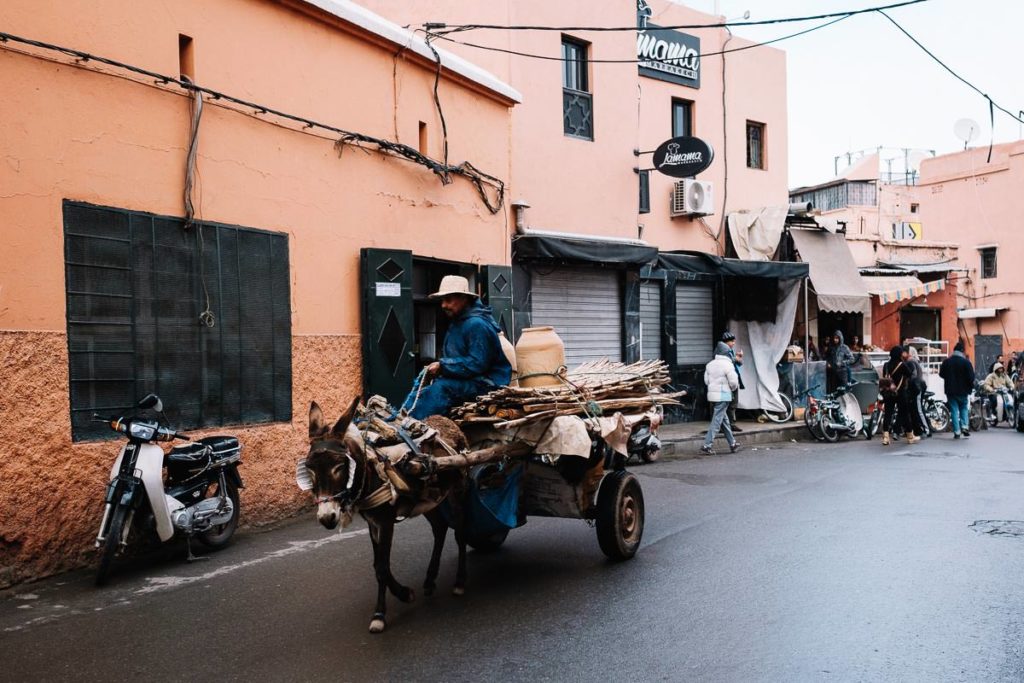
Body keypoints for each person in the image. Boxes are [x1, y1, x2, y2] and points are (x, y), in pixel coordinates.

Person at [400, 275, 511, 420]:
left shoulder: (477, 324)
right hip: (469, 380)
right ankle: (401, 420)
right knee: (421, 393)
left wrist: (443, 366)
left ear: (464, 299)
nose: (443, 305)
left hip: (487, 384)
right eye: (443, 300)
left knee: (441, 388)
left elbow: (477, 363)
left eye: (448, 300)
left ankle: (412, 426)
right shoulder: (457, 323)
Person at [701, 346, 741, 455]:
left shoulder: (709, 365)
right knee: (717, 420)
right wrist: (731, 390)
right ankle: (707, 444)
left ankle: (732, 443)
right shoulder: (728, 365)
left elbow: (706, 381)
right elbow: (734, 382)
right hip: (723, 395)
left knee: (724, 420)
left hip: (712, 396)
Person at [880, 345, 920, 445]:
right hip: (900, 393)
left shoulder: (886, 365)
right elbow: (910, 374)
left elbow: (885, 378)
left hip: (888, 393)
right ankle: (910, 436)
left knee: (888, 414)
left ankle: (885, 437)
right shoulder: (901, 365)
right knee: (904, 414)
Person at [939, 340, 975, 438]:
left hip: (950, 390)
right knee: (963, 408)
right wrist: (970, 387)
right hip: (963, 391)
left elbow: (941, 374)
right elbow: (971, 377)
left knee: (954, 410)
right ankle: (964, 426)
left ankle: (957, 431)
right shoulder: (966, 362)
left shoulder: (947, 362)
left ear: (954, 351)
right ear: (962, 351)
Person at [718, 332, 744, 433]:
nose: (733, 343)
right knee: (725, 405)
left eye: (734, 341)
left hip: (733, 380)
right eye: (732, 341)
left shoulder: (729, 350)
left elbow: (739, 363)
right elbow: (725, 362)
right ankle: (724, 425)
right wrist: (736, 358)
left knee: (733, 404)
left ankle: (731, 424)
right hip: (726, 381)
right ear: (726, 341)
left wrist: (738, 357)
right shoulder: (722, 350)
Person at [904, 346, 931, 437]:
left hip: (917, 387)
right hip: (919, 386)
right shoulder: (914, 361)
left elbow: (913, 376)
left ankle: (926, 429)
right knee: (916, 409)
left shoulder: (910, 362)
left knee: (918, 409)